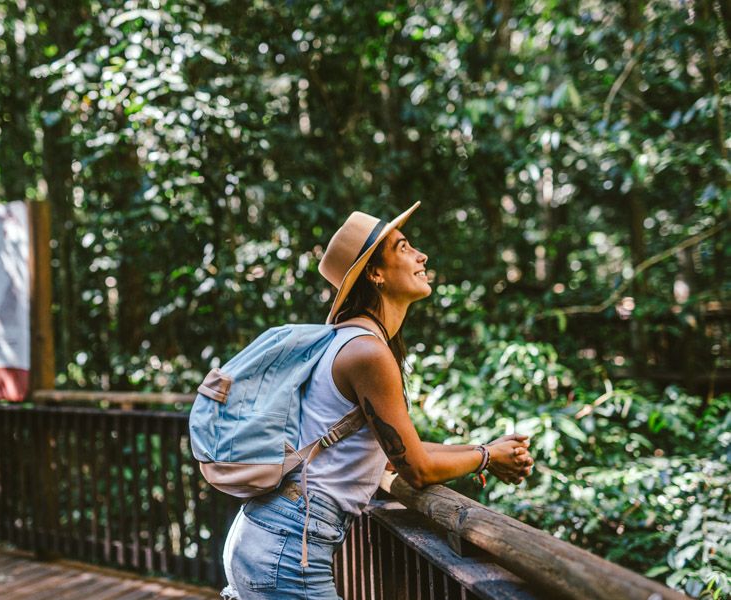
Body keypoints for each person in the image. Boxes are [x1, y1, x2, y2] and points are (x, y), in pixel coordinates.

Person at [220, 202, 534, 600]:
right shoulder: (366, 352)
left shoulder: (346, 341)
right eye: (403, 248)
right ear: (375, 273)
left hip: (267, 536)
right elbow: (416, 470)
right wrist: (487, 457)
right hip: (286, 549)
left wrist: (485, 451)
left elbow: (391, 458)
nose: (421, 256)